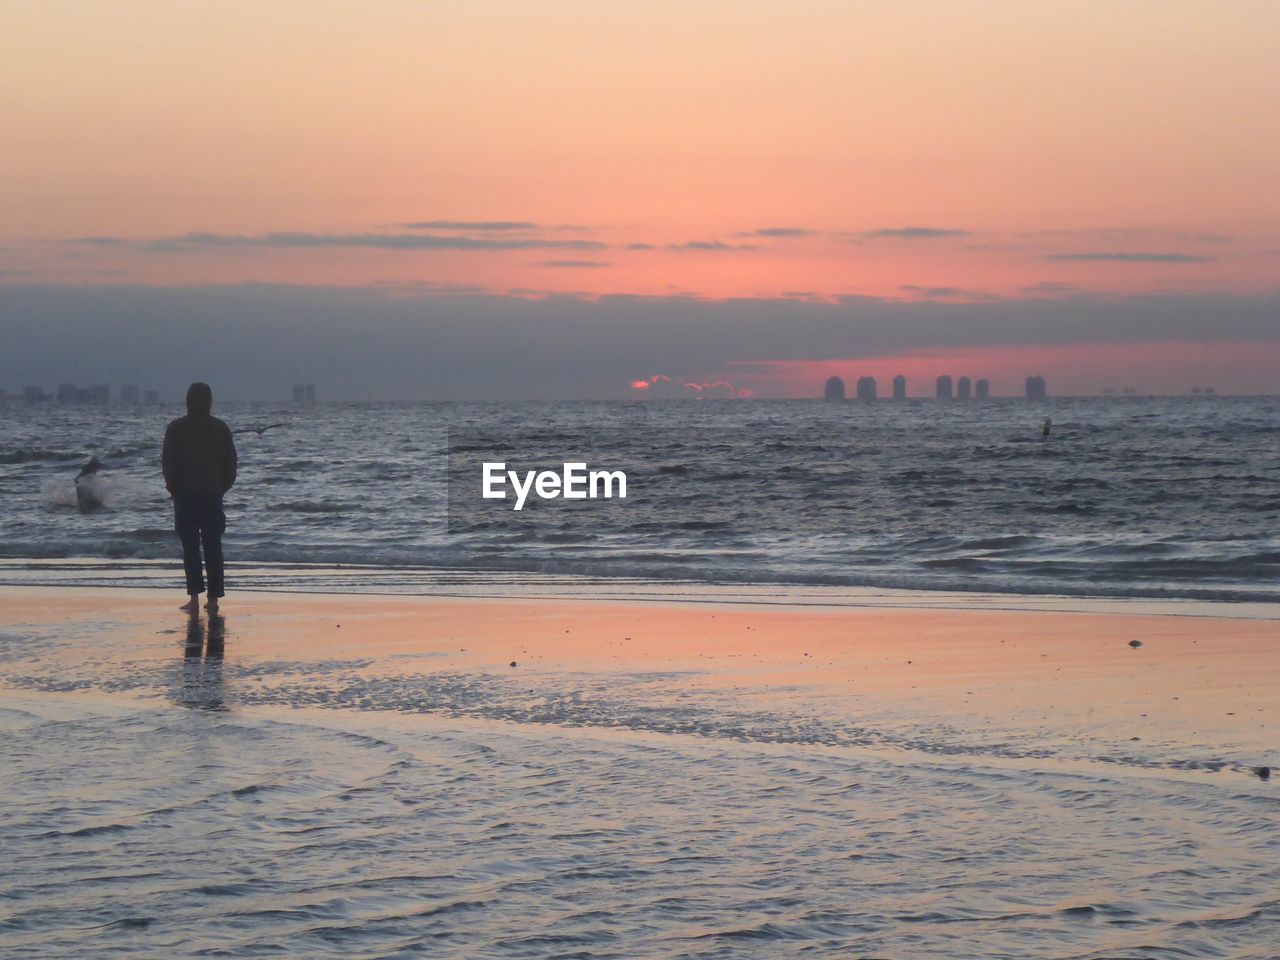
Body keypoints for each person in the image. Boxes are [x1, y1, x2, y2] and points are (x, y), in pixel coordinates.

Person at [162, 382, 237, 614]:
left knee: (191, 548)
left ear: (188, 401)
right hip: (212, 495)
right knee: (213, 547)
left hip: (185, 496)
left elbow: (168, 464)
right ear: (209, 401)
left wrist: (173, 489)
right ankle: (213, 600)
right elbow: (231, 465)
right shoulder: (220, 428)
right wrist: (221, 488)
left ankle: (194, 598)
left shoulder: (176, 428)